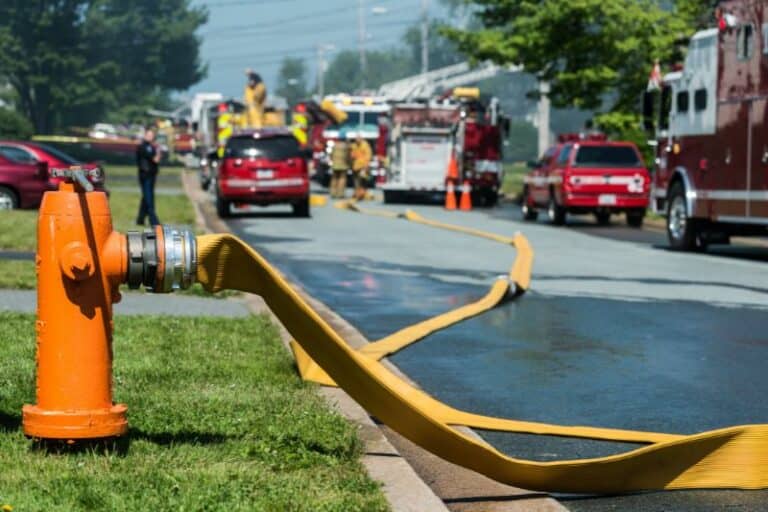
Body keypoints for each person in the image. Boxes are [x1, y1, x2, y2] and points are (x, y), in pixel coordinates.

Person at [136, 128, 161, 226]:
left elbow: (157, 159)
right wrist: (157, 154)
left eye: (152, 135)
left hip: (152, 175)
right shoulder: (142, 147)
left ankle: (140, 219)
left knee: (146, 197)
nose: (150, 137)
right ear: (145, 135)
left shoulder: (152, 147)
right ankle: (153, 220)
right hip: (145, 175)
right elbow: (155, 159)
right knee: (149, 198)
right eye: (148, 135)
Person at [350, 135, 372, 200]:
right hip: (356, 166)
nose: (357, 141)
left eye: (358, 139)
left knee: (363, 181)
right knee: (356, 181)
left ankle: (362, 194)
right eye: (356, 139)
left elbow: (368, 156)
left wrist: (366, 165)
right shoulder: (353, 145)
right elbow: (352, 155)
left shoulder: (365, 145)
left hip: (363, 166)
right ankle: (357, 193)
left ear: (361, 139)